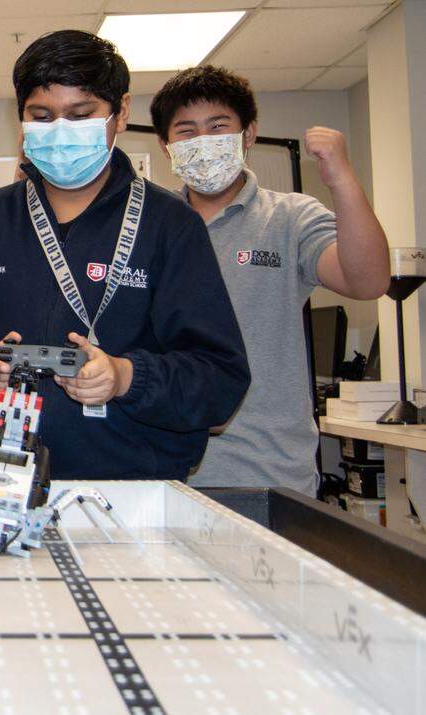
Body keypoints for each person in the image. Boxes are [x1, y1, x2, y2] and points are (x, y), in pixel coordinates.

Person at [0, 30, 251, 480]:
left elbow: (219, 379)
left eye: (80, 115)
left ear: (121, 112)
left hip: (135, 486)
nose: (60, 131)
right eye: (41, 116)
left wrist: (126, 377)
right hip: (8, 481)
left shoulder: (170, 224)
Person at [150, 66, 390, 495]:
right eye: (186, 131)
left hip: (267, 471)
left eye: (218, 127)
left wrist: (340, 177)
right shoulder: (148, 224)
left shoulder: (290, 218)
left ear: (248, 134)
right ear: (166, 147)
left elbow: (368, 281)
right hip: (160, 467)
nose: (203, 141)